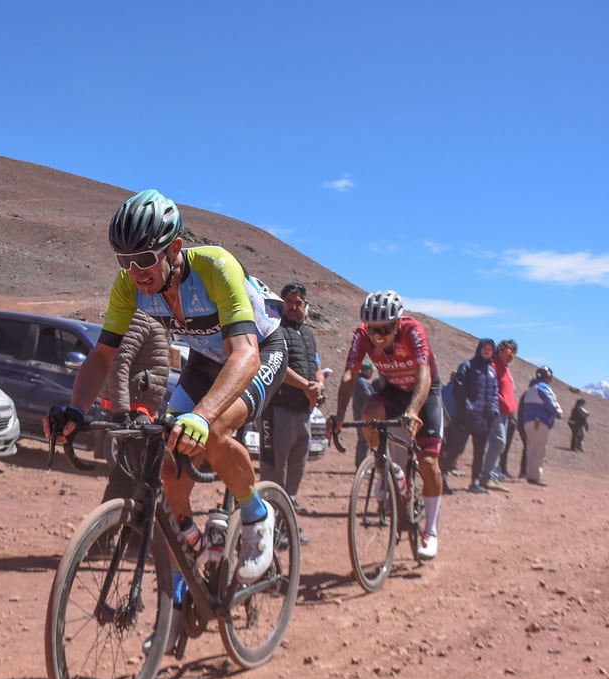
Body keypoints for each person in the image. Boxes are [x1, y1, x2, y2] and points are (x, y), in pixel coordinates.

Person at [47, 189, 288, 586]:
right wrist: (76, 410)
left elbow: (245, 356)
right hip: (206, 363)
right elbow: (104, 355)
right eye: (124, 261)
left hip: (259, 351)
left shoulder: (214, 266)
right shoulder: (129, 285)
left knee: (214, 431)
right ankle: (185, 533)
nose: (135, 271)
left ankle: (256, 514)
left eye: (144, 259)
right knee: (167, 447)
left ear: (175, 247)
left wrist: (204, 415)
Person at [329, 290, 445, 561]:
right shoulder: (362, 335)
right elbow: (350, 373)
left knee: (428, 462)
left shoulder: (413, 330)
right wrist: (339, 415)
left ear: (397, 324)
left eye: (384, 330)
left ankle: (430, 529)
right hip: (393, 388)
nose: (377, 337)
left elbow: (424, 373)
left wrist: (414, 410)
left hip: (423, 391)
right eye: (373, 331)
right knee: (370, 411)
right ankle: (383, 466)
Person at [258, 282, 323, 523]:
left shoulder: (307, 334)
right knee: (273, 473)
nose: (294, 307)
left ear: (305, 306)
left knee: (296, 470)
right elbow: (279, 368)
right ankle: (268, 528)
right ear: (282, 303)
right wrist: (307, 387)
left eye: (299, 303)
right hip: (277, 411)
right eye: (290, 302)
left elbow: (316, 366)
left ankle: (286, 527)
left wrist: (318, 385)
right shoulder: (275, 330)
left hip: (303, 413)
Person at [98, 309, 171, 502]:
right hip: (132, 408)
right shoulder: (143, 316)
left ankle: (118, 528)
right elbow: (119, 361)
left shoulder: (160, 320)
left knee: (133, 477)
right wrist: (121, 413)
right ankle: (111, 528)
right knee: (130, 478)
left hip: (140, 407)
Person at [439, 338, 498, 494]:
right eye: (485, 348)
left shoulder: (492, 372)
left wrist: (494, 410)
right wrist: (467, 406)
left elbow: (494, 394)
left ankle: (475, 482)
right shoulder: (467, 366)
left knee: (479, 453)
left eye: (490, 349)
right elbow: (458, 388)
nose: (487, 351)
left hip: (484, 420)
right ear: (479, 349)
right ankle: (441, 479)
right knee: (455, 449)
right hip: (465, 418)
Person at [481, 338, 518, 488]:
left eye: (514, 352)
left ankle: (492, 475)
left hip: (506, 412)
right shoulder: (493, 366)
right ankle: (486, 476)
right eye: (508, 351)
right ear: (500, 350)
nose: (511, 355)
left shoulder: (506, 369)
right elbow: (488, 388)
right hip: (495, 410)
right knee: (498, 441)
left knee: (499, 444)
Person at [519, 366, 562, 486]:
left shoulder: (531, 388)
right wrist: (558, 412)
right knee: (539, 450)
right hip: (540, 422)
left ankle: (530, 473)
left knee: (532, 448)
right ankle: (535, 476)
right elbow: (550, 403)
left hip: (528, 422)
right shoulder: (543, 388)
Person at [351, 359, 379, 468]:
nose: (372, 373)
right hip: (363, 416)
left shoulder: (359, 381)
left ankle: (360, 465)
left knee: (363, 440)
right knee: (364, 441)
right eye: (371, 371)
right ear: (367, 371)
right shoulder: (362, 383)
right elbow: (369, 398)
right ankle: (361, 466)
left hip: (360, 415)